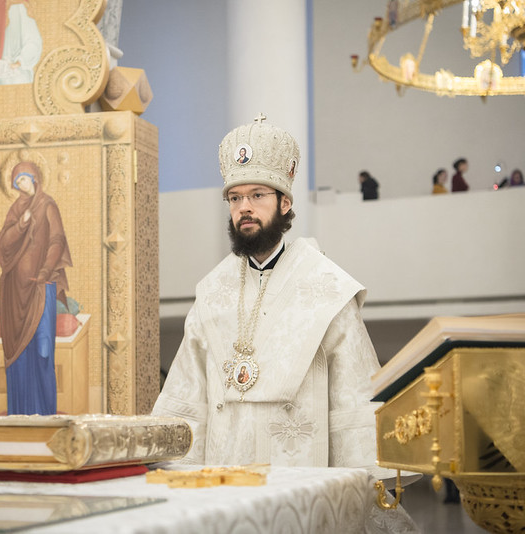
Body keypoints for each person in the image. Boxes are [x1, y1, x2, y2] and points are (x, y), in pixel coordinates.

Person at [152, 118, 418, 531]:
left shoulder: (326, 287)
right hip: (223, 486)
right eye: (235, 197)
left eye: (257, 195)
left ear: (285, 204)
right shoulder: (212, 292)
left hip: (299, 482)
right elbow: (188, 396)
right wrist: (173, 473)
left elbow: (354, 400)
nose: (245, 207)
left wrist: (366, 484)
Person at [0, 161, 72, 415]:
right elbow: (3, 246)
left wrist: (44, 271)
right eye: (18, 183)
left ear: (36, 180)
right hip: (15, 292)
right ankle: (20, 416)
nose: (22, 186)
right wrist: (21, 225)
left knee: (42, 350)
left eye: (25, 180)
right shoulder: (16, 209)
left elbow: (57, 240)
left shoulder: (47, 205)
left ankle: (45, 414)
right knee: (19, 353)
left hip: (42, 287)